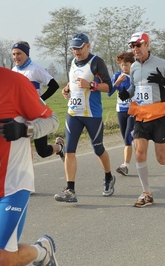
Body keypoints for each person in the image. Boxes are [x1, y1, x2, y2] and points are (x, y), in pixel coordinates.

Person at [0, 30, 59, 265]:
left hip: (12, 184)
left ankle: (43, 251)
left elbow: (52, 121)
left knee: (0, 255)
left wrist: (24, 130)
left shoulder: (16, 83)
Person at [118, 31, 165, 207]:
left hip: (159, 115)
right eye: (132, 46)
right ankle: (146, 193)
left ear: (147, 45)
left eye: (138, 45)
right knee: (140, 153)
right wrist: (127, 93)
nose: (135, 49)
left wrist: (163, 81)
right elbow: (134, 87)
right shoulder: (133, 67)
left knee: (161, 159)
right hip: (140, 115)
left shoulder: (160, 63)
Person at [54, 33, 115, 202]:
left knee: (97, 149)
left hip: (92, 115)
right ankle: (70, 190)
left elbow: (109, 87)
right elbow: (73, 81)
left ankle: (109, 178)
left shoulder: (97, 62)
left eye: (79, 48)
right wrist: (66, 89)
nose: (76, 52)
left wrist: (92, 85)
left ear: (88, 46)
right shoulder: (71, 62)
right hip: (73, 113)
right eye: (73, 48)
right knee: (70, 150)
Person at [11, 41, 65, 162]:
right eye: (13, 54)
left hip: (36, 115)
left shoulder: (35, 69)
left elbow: (54, 85)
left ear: (26, 54)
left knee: (42, 152)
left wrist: (40, 100)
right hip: (20, 114)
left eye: (19, 53)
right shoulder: (13, 70)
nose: (15, 57)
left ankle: (60, 147)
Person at [108, 51, 136, 176]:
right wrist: (117, 82)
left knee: (127, 137)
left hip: (133, 110)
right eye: (122, 65)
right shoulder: (117, 76)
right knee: (126, 139)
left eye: (127, 64)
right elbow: (109, 93)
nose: (124, 67)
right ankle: (138, 139)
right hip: (121, 110)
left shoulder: (136, 76)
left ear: (132, 64)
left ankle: (125, 165)